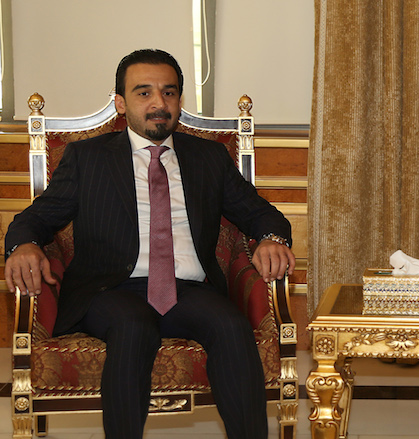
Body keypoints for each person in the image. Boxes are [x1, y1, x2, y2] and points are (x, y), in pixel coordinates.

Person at [4, 49, 295, 439]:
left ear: (179, 100)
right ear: (121, 103)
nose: (159, 103)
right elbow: (36, 218)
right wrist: (23, 245)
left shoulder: (209, 158)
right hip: (110, 290)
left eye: (169, 92)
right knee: (133, 326)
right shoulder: (88, 158)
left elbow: (261, 213)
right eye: (144, 93)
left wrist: (271, 239)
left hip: (189, 288)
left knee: (229, 325)